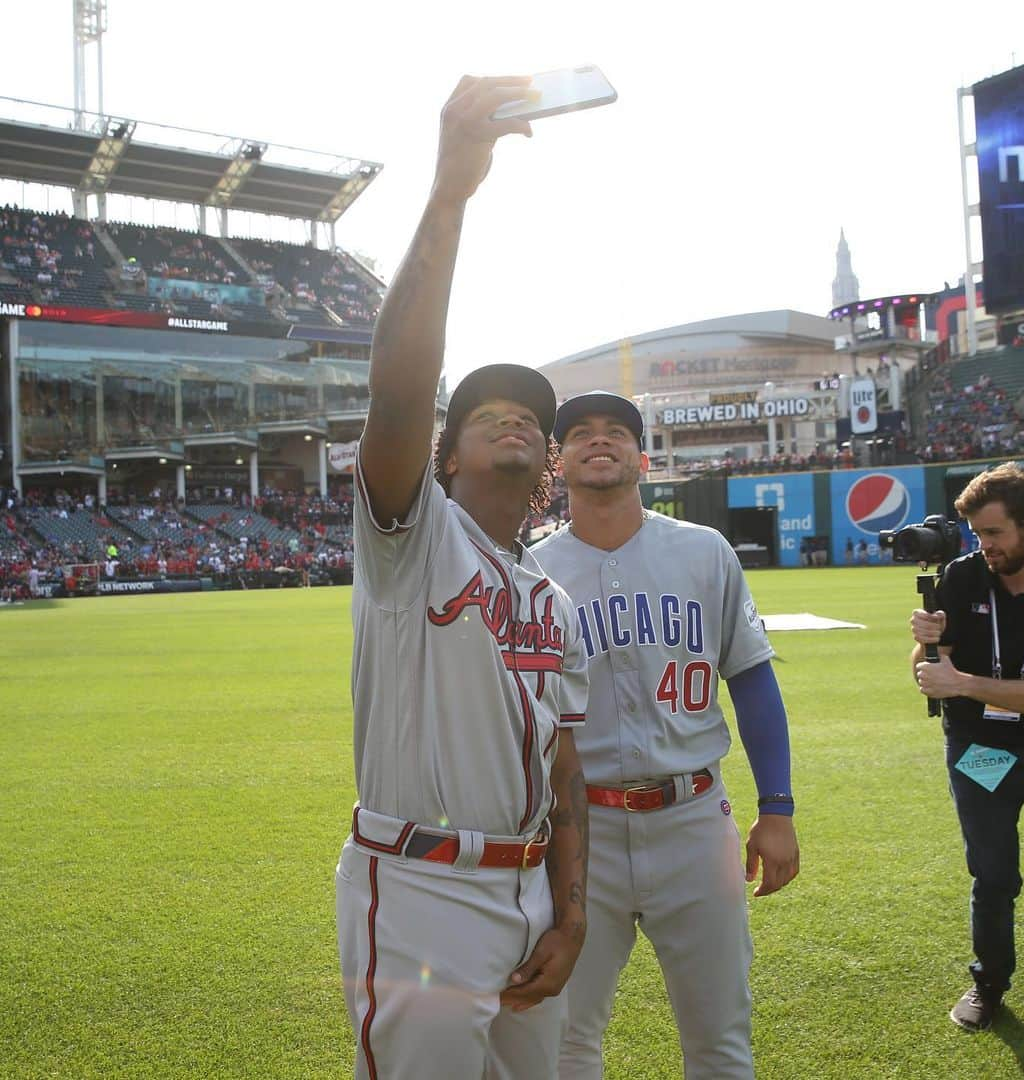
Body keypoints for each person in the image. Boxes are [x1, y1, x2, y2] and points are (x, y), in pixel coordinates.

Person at [334, 77, 590, 1080]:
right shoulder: (413, 539)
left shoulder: (553, 598)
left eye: (532, 414)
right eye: (487, 414)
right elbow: (397, 390)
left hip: (529, 894)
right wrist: (450, 194)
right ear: (444, 457)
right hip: (424, 888)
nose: (518, 417)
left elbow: (569, 771)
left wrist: (571, 917)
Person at [532, 392, 800, 1079]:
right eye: (580, 434)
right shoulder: (527, 568)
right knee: (564, 1035)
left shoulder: (702, 551)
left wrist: (778, 808)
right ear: (558, 461)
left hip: (692, 816)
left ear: (642, 457)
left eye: (616, 432)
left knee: (719, 1038)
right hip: (576, 830)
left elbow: (751, 678)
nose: (599, 441)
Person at [910, 461, 1024, 1032]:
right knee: (994, 873)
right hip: (980, 748)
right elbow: (929, 673)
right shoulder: (960, 579)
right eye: (978, 534)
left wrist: (961, 682)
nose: (985, 546)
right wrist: (927, 651)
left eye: (996, 533)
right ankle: (988, 985)